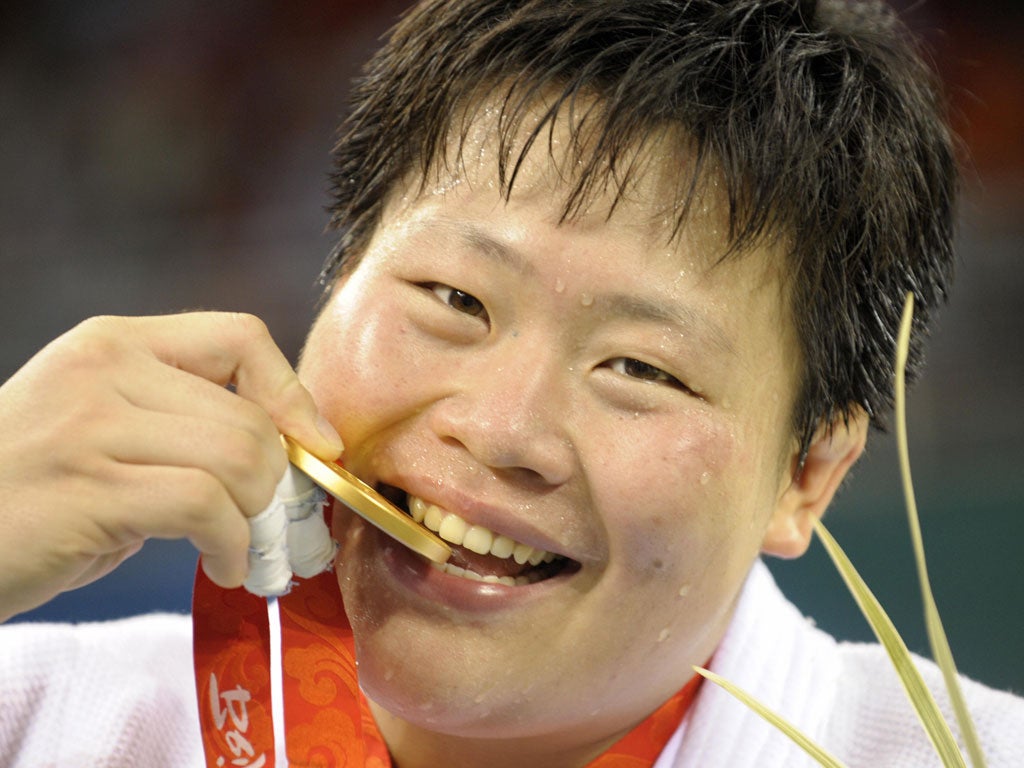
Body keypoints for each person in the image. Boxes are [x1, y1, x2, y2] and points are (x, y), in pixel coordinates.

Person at [1, 0, 1021, 766]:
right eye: (453, 298)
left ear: (806, 473)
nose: (500, 429)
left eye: (639, 368)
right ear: (333, 277)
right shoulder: (40, 717)